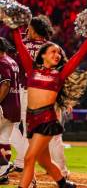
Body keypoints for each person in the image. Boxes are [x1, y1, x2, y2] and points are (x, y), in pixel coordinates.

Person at [10, 21, 87, 188]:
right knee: (45, 161)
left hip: (46, 120)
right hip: (31, 119)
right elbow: (19, 44)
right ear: (42, 55)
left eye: (59, 53)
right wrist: (14, 25)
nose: (57, 55)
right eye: (53, 52)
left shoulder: (59, 74)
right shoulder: (31, 68)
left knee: (29, 158)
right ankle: (64, 184)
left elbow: (77, 57)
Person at [10, 15, 69, 178]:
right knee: (55, 137)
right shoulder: (53, 47)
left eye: (29, 27)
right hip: (51, 93)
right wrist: (66, 98)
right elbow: (64, 72)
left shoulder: (23, 45)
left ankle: (24, 163)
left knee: (20, 130)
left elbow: (16, 67)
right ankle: (62, 171)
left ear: (34, 29)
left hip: (27, 93)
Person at [0, 37, 20, 184]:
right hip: (14, 105)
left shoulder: (2, 62)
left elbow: (5, 84)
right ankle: (3, 175)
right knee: (4, 140)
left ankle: (6, 166)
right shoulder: (12, 61)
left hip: (3, 106)